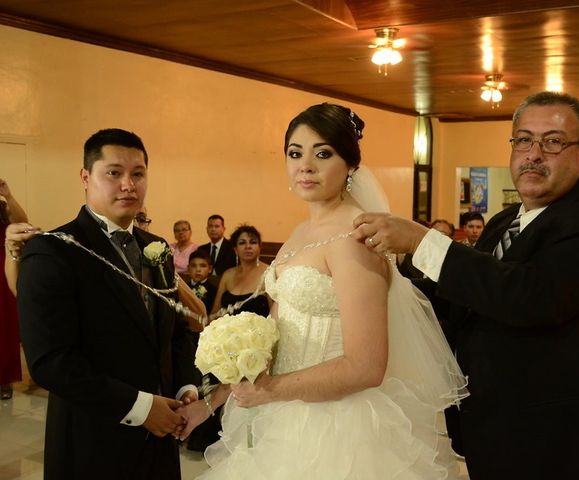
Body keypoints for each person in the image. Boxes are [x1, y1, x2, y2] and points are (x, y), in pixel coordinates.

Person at [352, 92, 579, 480]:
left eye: (553, 141)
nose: (533, 153)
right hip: (497, 434)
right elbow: (462, 303)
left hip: (566, 447)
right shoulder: (504, 222)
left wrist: (423, 241)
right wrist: (379, 283)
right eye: (523, 139)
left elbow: (529, 296)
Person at [179, 103, 467, 479]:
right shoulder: (299, 235)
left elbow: (366, 366)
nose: (306, 166)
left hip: (339, 426)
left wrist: (271, 391)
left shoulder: (354, 237)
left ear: (350, 165)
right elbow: (274, 340)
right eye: (295, 154)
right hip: (282, 414)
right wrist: (213, 399)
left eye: (323, 153)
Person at [17, 128, 202, 479]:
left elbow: (174, 332)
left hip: (160, 439)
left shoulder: (158, 248)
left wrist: (185, 386)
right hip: (93, 440)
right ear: (86, 177)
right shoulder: (54, 251)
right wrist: (141, 407)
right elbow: (51, 361)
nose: (128, 185)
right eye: (114, 173)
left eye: (138, 174)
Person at [0, 178, 28, 400]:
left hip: (2, 267)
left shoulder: (2, 206)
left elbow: (22, 221)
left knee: (4, 324)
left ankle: (4, 381)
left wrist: (7, 195)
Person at [211, 224, 271, 318]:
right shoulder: (228, 275)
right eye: (242, 243)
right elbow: (215, 312)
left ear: (260, 247)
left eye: (253, 242)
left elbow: (275, 316)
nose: (248, 246)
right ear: (235, 249)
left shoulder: (268, 273)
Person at [186, 249, 216, 314]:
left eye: (203, 266)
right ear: (188, 268)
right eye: (194, 266)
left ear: (210, 269)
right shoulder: (183, 288)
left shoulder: (215, 291)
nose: (198, 269)